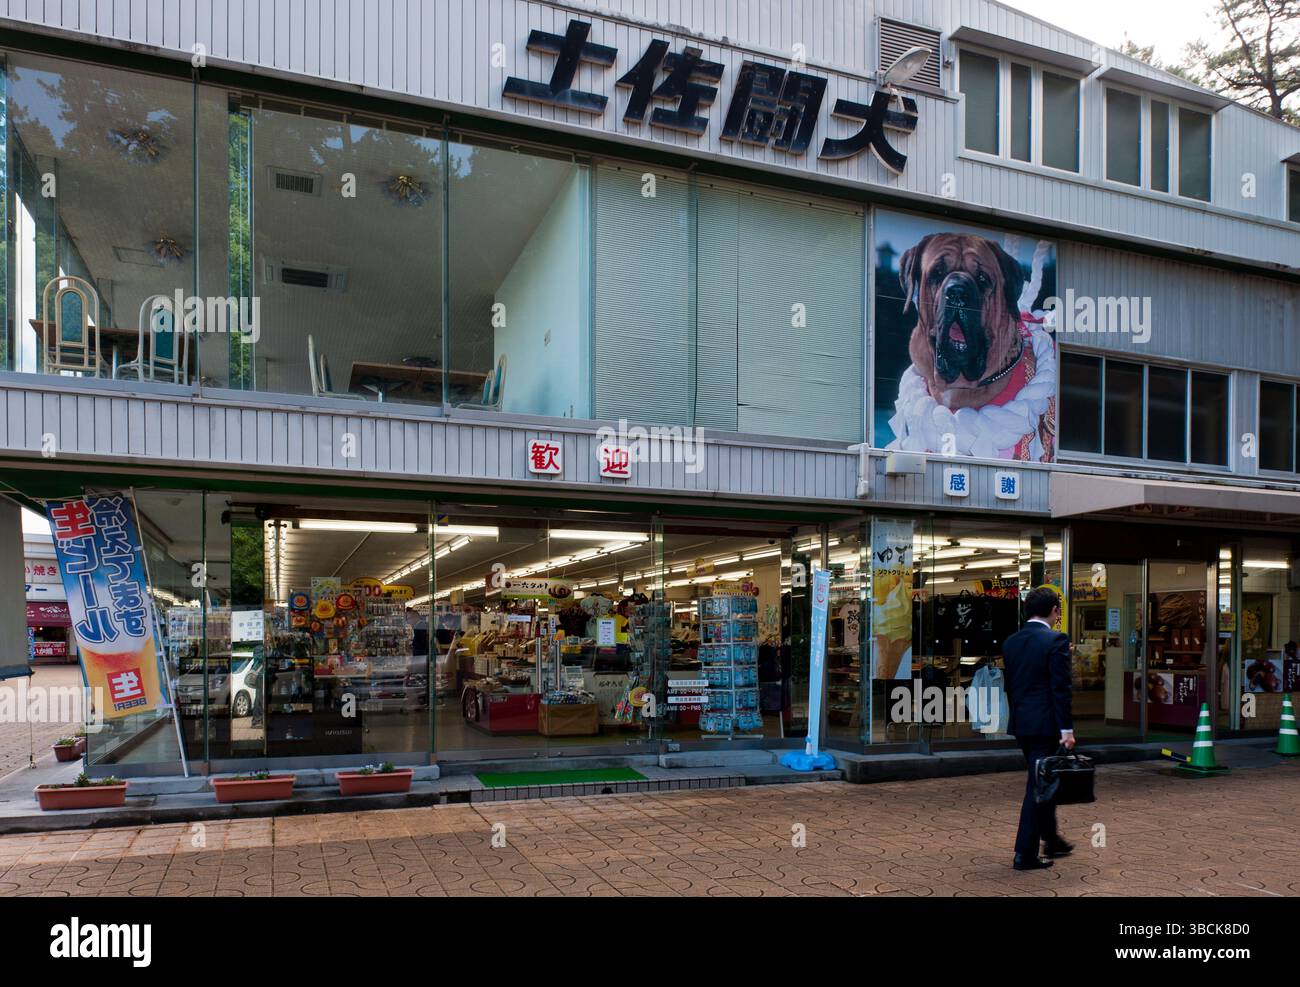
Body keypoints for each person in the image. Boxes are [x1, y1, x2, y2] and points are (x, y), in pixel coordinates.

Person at [1001, 587, 1075, 871]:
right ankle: (1024, 854)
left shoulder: (1011, 642)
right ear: (1055, 611)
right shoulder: (1056, 640)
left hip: (1022, 724)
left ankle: (1052, 840)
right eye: (1058, 612)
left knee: (1043, 781)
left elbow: (1012, 686)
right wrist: (1066, 729)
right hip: (1047, 726)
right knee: (1036, 787)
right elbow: (1060, 688)